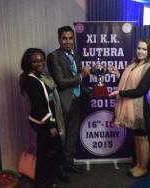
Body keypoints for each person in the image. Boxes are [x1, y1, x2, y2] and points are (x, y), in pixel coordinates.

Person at [19, 48, 68, 188]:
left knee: (48, 154)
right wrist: (50, 125)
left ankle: (47, 182)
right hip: (45, 123)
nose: (39, 63)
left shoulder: (41, 75)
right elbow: (38, 104)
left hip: (50, 119)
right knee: (48, 156)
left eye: (41, 60)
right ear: (29, 62)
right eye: (35, 61)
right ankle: (43, 184)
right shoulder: (31, 80)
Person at [109, 37, 150, 178]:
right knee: (136, 138)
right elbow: (126, 84)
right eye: (139, 48)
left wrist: (120, 93)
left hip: (139, 108)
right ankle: (138, 164)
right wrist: (118, 75)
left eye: (144, 49)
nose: (140, 51)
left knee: (142, 138)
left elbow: (140, 90)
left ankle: (143, 168)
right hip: (129, 105)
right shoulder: (133, 64)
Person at [47, 26, 91, 174]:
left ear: (73, 39)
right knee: (62, 136)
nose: (67, 41)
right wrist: (81, 76)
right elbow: (61, 82)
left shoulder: (76, 55)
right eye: (64, 38)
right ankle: (60, 169)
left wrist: (88, 91)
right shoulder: (54, 56)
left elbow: (77, 82)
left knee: (72, 134)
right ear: (59, 39)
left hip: (76, 101)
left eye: (70, 38)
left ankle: (69, 163)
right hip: (63, 103)